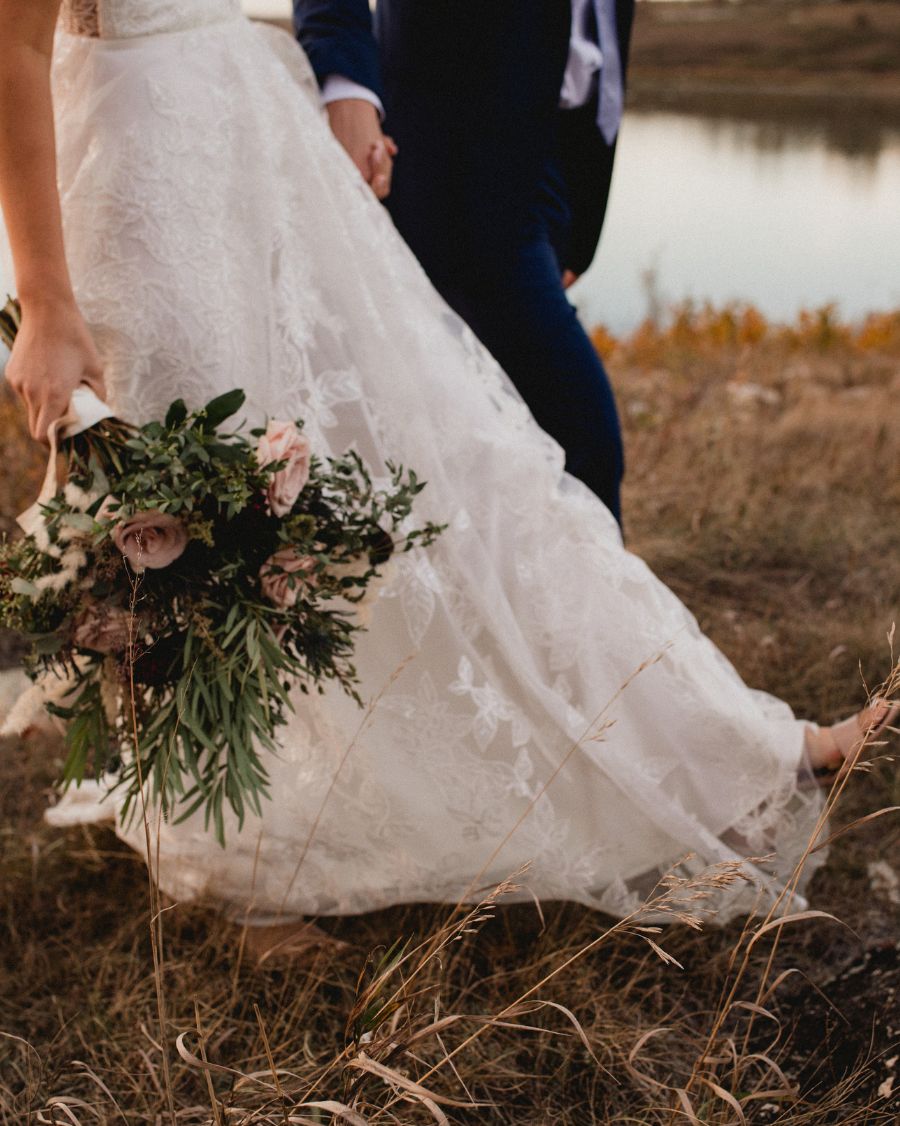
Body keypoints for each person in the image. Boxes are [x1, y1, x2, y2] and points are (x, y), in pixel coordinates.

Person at [0, 0, 894, 941]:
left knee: (456, 463)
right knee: (203, 532)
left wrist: (346, 105)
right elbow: (16, 45)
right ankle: (236, 864)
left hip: (276, 144)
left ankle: (725, 744)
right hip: (144, 172)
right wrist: (47, 299)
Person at [294, 0, 634, 525]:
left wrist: (575, 219)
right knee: (583, 441)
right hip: (446, 158)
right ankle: (604, 606)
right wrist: (347, 88)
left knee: (488, 450)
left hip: (547, 167)